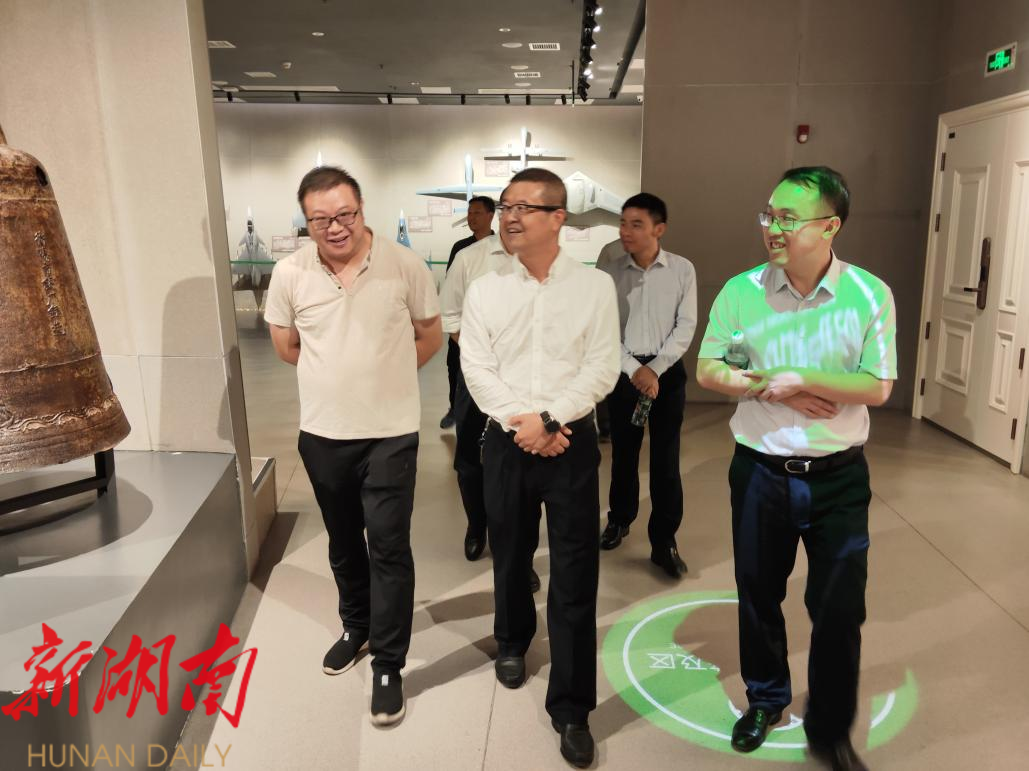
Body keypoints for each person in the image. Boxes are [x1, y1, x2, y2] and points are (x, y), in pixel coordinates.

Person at [696, 166, 896, 771]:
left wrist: (803, 378)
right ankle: (765, 700)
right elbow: (710, 369)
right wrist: (770, 387)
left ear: (830, 226)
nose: (773, 228)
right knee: (758, 593)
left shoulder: (868, 294)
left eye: (788, 218)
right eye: (769, 215)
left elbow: (877, 385)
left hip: (838, 476)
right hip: (760, 470)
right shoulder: (742, 291)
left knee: (839, 608)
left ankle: (830, 729)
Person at [264, 166, 442, 727]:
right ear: (307, 222)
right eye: (320, 219)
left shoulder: (404, 265)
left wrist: (386, 380)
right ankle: (356, 627)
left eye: (345, 214)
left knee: (388, 545)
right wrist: (337, 379)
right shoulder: (290, 273)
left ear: (362, 210)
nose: (335, 227)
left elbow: (430, 335)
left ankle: (389, 663)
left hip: (391, 433)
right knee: (343, 541)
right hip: (323, 435)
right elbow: (286, 346)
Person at [460, 168, 619, 768]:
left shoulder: (594, 287)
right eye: (505, 206)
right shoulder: (485, 289)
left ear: (558, 218)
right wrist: (521, 423)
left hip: (570, 439)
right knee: (510, 551)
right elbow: (477, 368)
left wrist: (550, 419)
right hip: (507, 440)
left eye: (523, 207)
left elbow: (602, 367)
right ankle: (512, 639)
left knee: (575, 571)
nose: (509, 217)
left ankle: (572, 707)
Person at [598, 193, 697, 579]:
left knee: (665, 459)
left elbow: (686, 326)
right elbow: (605, 328)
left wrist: (654, 370)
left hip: (666, 374)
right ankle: (619, 519)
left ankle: (664, 540)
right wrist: (634, 369)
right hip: (625, 374)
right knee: (623, 454)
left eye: (636, 224)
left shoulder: (682, 270)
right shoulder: (610, 272)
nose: (626, 231)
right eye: (623, 223)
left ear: (659, 229)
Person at [440, 196, 496, 429]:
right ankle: (454, 408)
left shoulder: (501, 248)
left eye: (477, 213)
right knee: (455, 368)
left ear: (491, 216)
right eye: (469, 213)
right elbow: (451, 285)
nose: (471, 218)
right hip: (462, 326)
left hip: (488, 330)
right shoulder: (461, 248)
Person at [593, 237, 624, 442]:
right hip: (613, 321)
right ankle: (608, 425)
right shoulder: (612, 250)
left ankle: (610, 425)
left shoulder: (611, 249)